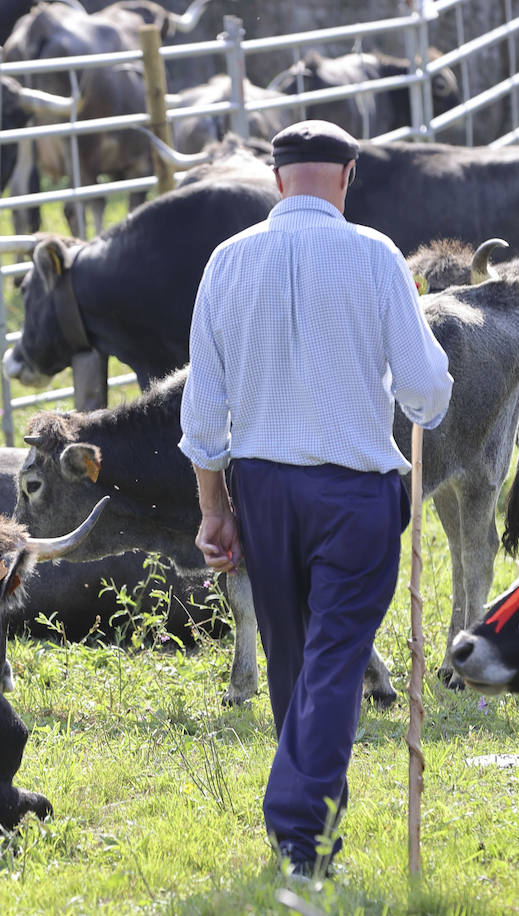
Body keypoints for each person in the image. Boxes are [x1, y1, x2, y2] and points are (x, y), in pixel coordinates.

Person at [178, 119, 452, 877]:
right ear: (346, 176)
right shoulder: (375, 256)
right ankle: (302, 832)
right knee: (334, 662)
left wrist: (214, 507)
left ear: (276, 180)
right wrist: (420, 397)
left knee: (294, 658)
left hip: (262, 487)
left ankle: (302, 826)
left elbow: (203, 411)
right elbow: (427, 391)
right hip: (356, 492)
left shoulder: (227, 261)